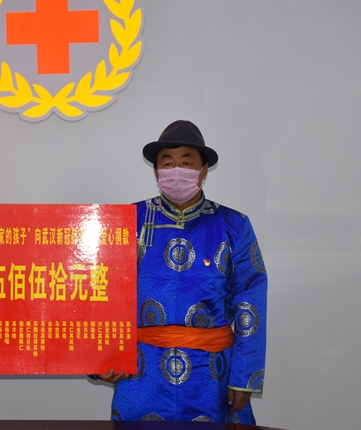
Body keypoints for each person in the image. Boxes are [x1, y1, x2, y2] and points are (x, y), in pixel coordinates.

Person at [96, 120, 267, 424]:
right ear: (156, 171)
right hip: (141, 371)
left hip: (212, 373)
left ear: (204, 169)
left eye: (186, 162)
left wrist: (244, 377)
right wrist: (103, 358)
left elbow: (250, 300)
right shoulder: (126, 222)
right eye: (168, 162)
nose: (176, 170)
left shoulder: (233, 225)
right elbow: (100, 292)